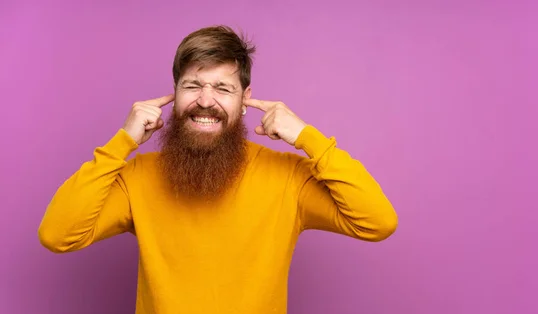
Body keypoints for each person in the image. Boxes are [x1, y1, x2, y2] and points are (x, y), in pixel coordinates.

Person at [38, 25, 398, 314]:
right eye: (192, 85)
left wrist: (308, 137)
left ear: (245, 99)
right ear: (174, 95)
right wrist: (123, 142)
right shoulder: (138, 176)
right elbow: (58, 235)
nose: (205, 101)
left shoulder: (288, 176)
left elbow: (377, 222)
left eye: (223, 88)